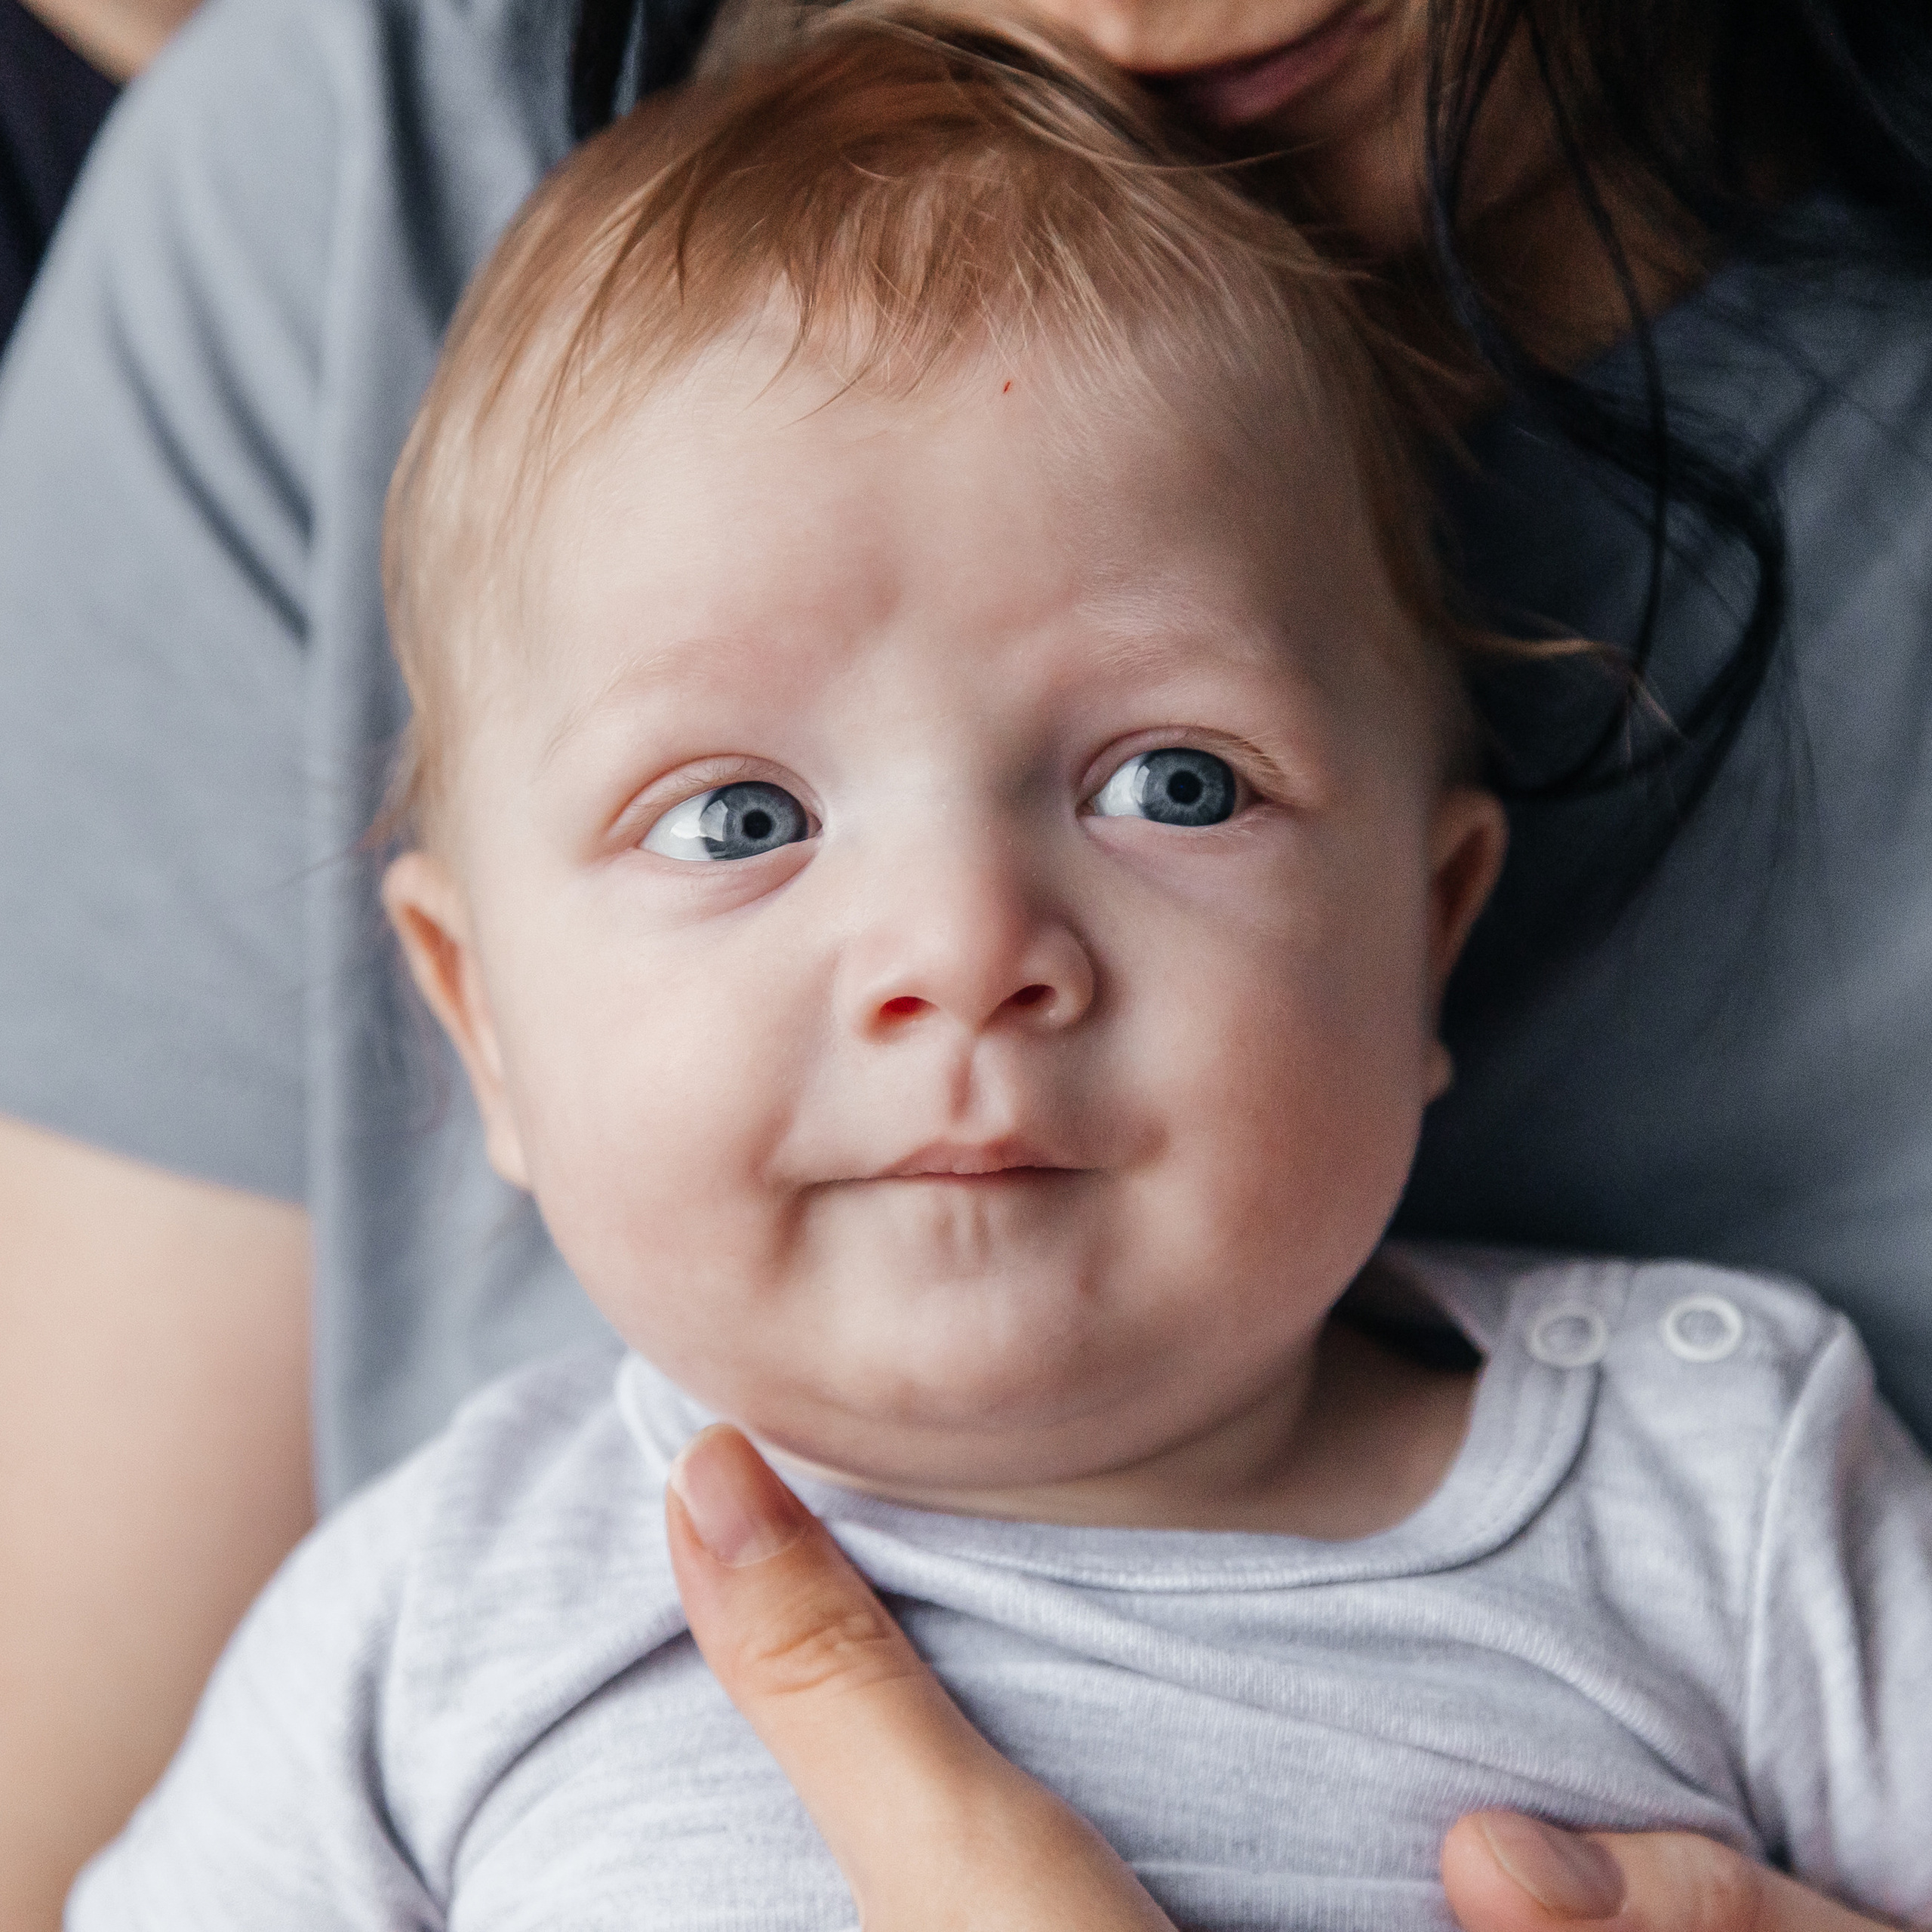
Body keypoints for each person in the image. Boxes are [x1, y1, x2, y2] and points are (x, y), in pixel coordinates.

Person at [2, 0, 1928, 1921]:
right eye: (738, 820)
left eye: (1173, 781)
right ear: (477, 1014)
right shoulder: (436, 1613)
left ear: (1426, 927)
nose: (963, 949)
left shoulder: (1725, 1502)